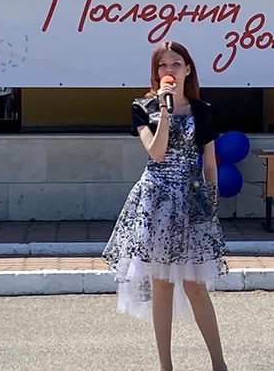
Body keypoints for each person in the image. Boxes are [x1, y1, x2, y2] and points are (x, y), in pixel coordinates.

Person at [102, 41, 228, 371]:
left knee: (196, 285)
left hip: (191, 199)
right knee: (162, 284)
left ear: (188, 69)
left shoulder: (203, 110)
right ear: (155, 72)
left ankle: (219, 364)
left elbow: (210, 163)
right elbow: (156, 153)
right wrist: (165, 112)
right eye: (162, 65)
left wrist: (210, 203)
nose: (169, 70)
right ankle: (165, 366)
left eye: (175, 64)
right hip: (155, 200)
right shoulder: (144, 107)